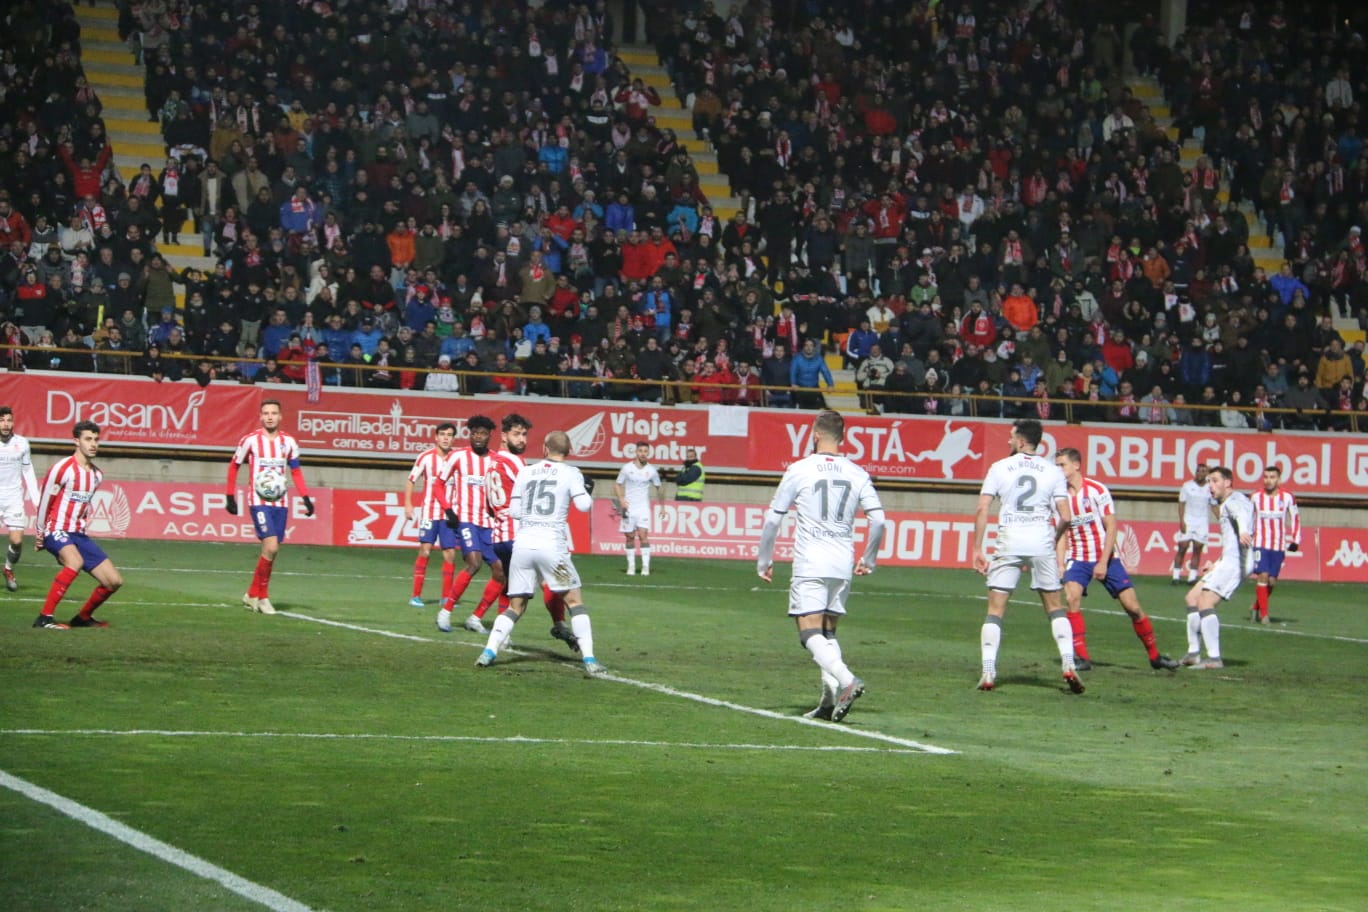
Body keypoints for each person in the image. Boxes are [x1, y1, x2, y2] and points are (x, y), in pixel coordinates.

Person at [755, 410, 886, 722]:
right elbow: (879, 520)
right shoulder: (857, 472)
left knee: (808, 631)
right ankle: (828, 702)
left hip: (811, 560)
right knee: (827, 633)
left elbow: (774, 518)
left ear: (814, 435)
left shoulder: (799, 469)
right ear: (842, 438)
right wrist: (868, 559)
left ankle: (847, 680)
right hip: (842, 562)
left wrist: (764, 559)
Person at [474, 430, 605, 676]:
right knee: (574, 602)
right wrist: (584, 490)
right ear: (569, 452)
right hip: (551, 545)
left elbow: (513, 511)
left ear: (545, 449)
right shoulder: (571, 473)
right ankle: (589, 659)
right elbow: (584, 505)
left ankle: (488, 652)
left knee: (516, 605)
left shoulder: (526, 471)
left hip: (522, 544)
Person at [971, 418, 1083, 694]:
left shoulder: (999, 467)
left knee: (995, 610)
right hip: (1040, 541)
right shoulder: (1052, 471)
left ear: (1021, 441)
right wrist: (1051, 541)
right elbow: (1066, 516)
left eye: (1011, 437)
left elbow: (982, 509)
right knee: (1055, 607)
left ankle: (988, 671)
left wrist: (977, 548)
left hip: (1009, 539)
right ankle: (1069, 664)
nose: (1008, 441)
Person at [1054, 448, 1181, 672]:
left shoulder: (1097, 490)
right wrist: (1060, 564)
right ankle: (1082, 658)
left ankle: (1154, 656)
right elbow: (1062, 532)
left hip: (1107, 557)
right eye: (1056, 465)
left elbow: (1111, 526)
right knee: (1071, 598)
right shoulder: (1058, 496)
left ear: (1076, 465)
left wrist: (1103, 562)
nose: (1058, 469)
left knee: (1132, 607)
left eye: (1061, 464)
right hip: (1078, 558)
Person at [468, 413, 579, 651]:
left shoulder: (492, 465)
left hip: (499, 536)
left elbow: (489, 505)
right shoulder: (515, 463)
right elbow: (531, 495)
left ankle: (499, 636)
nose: (522, 439)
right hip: (521, 534)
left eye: (524, 434)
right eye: (516, 434)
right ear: (504, 435)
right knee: (554, 580)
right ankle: (560, 623)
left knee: (511, 586)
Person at [225, 400, 315, 615]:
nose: (270, 417)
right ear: (260, 416)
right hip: (258, 501)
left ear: (281, 416)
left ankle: (251, 594)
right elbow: (234, 465)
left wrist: (306, 497)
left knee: (270, 551)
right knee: (272, 547)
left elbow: (295, 471)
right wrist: (230, 495)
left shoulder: (289, 442)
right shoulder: (250, 441)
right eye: (266, 413)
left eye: (274, 413)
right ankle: (263, 597)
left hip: (281, 503)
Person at [32, 421, 123, 629]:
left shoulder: (97, 474)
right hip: (56, 529)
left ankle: (82, 618)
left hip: (79, 534)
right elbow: (46, 500)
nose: (93, 444)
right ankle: (44, 618)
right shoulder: (62, 468)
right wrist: (40, 532)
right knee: (75, 562)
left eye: (96, 440)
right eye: (88, 439)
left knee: (114, 581)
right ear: (76, 441)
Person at [1181, 466, 1254, 670]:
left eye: (1214, 481)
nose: (1210, 485)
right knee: (1192, 598)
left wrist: (1244, 531)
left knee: (1205, 602)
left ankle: (1214, 659)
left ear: (1228, 483)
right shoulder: (1224, 504)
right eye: (1209, 482)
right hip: (1228, 559)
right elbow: (1231, 540)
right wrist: (1216, 562)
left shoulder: (1235, 500)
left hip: (1238, 562)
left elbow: (1242, 515)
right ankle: (1194, 654)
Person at [435, 415, 503, 634]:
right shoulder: (458, 456)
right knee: (474, 563)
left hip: (489, 523)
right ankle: (445, 611)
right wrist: (448, 509)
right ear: (470, 435)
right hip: (465, 520)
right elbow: (438, 484)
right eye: (474, 433)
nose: (478, 437)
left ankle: (476, 617)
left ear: (489, 435)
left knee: (500, 571)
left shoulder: (496, 460)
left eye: (482, 433)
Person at [403, 422, 460, 608]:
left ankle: (446, 598)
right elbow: (411, 480)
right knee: (425, 551)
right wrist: (408, 504)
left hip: (449, 515)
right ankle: (415, 596)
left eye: (449, 434)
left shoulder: (457, 458)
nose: (445, 438)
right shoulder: (425, 457)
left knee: (450, 554)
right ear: (436, 437)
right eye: (442, 434)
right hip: (429, 512)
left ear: (453, 438)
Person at [1249, 465, 1300, 625]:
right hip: (1260, 543)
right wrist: (1246, 537)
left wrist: (1295, 540)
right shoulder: (1255, 496)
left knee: (1271, 582)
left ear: (1279, 479)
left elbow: (1295, 518)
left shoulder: (1288, 497)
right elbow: (1249, 518)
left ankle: (1256, 606)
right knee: (1263, 575)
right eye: (1266, 477)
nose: (1268, 480)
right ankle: (1265, 615)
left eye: (1272, 477)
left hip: (1278, 545)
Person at [0, 406, 40, 593]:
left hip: (14, 497)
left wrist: (36, 499)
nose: (6, 424)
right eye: (2, 420)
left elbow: (27, 471)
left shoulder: (22, 443)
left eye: (9, 420)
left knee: (16, 541)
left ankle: (8, 569)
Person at [614, 440, 664, 575]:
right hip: (628, 508)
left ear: (648, 453)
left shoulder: (651, 470)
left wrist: (662, 507)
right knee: (629, 536)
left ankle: (645, 567)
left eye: (645, 451)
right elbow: (617, 484)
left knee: (643, 535)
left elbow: (659, 487)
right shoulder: (627, 468)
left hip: (643, 508)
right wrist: (621, 499)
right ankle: (631, 566)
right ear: (636, 452)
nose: (643, 454)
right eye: (641, 451)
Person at [1171, 465, 1212, 584]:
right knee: (1182, 547)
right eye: (1198, 471)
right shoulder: (1187, 486)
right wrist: (1181, 521)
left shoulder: (1210, 488)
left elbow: (1214, 504)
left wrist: (1221, 518)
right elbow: (1181, 503)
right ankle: (1176, 576)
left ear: (1207, 474)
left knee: (1197, 549)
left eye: (1203, 471)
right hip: (1188, 519)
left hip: (1202, 522)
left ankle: (1192, 577)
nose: (1200, 474)